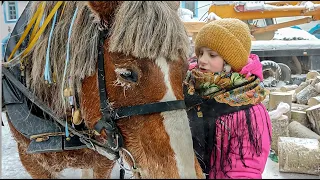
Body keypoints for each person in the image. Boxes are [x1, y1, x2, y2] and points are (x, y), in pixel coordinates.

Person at [184, 18, 272, 179]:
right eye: (200, 53)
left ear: (230, 63)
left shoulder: (249, 110)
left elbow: (245, 170)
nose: (202, 60)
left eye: (212, 55)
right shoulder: (186, 88)